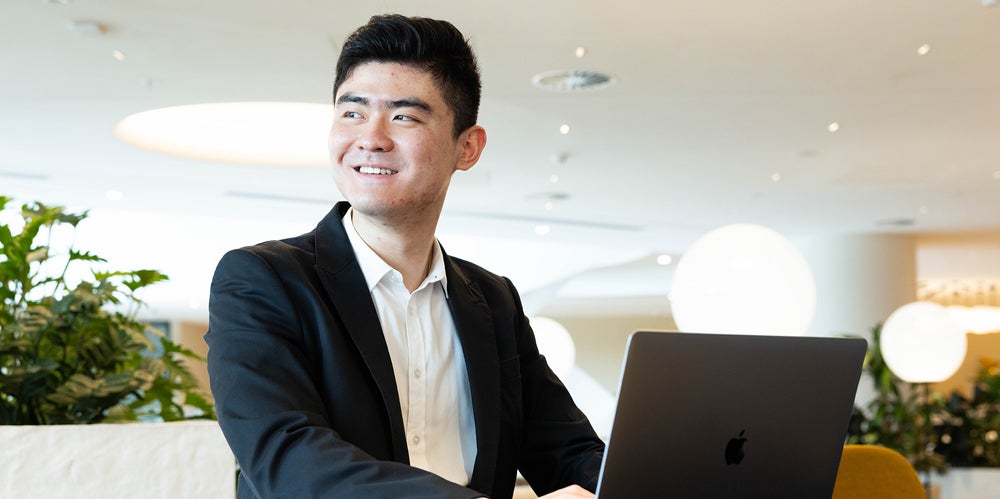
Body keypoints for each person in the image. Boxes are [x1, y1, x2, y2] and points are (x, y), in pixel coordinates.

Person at [205, 13, 605, 499]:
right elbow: (289, 460)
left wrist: (670, 472)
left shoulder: (493, 300)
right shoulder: (261, 279)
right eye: (351, 112)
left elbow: (566, 450)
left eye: (404, 116)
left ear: (467, 147)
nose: (371, 137)